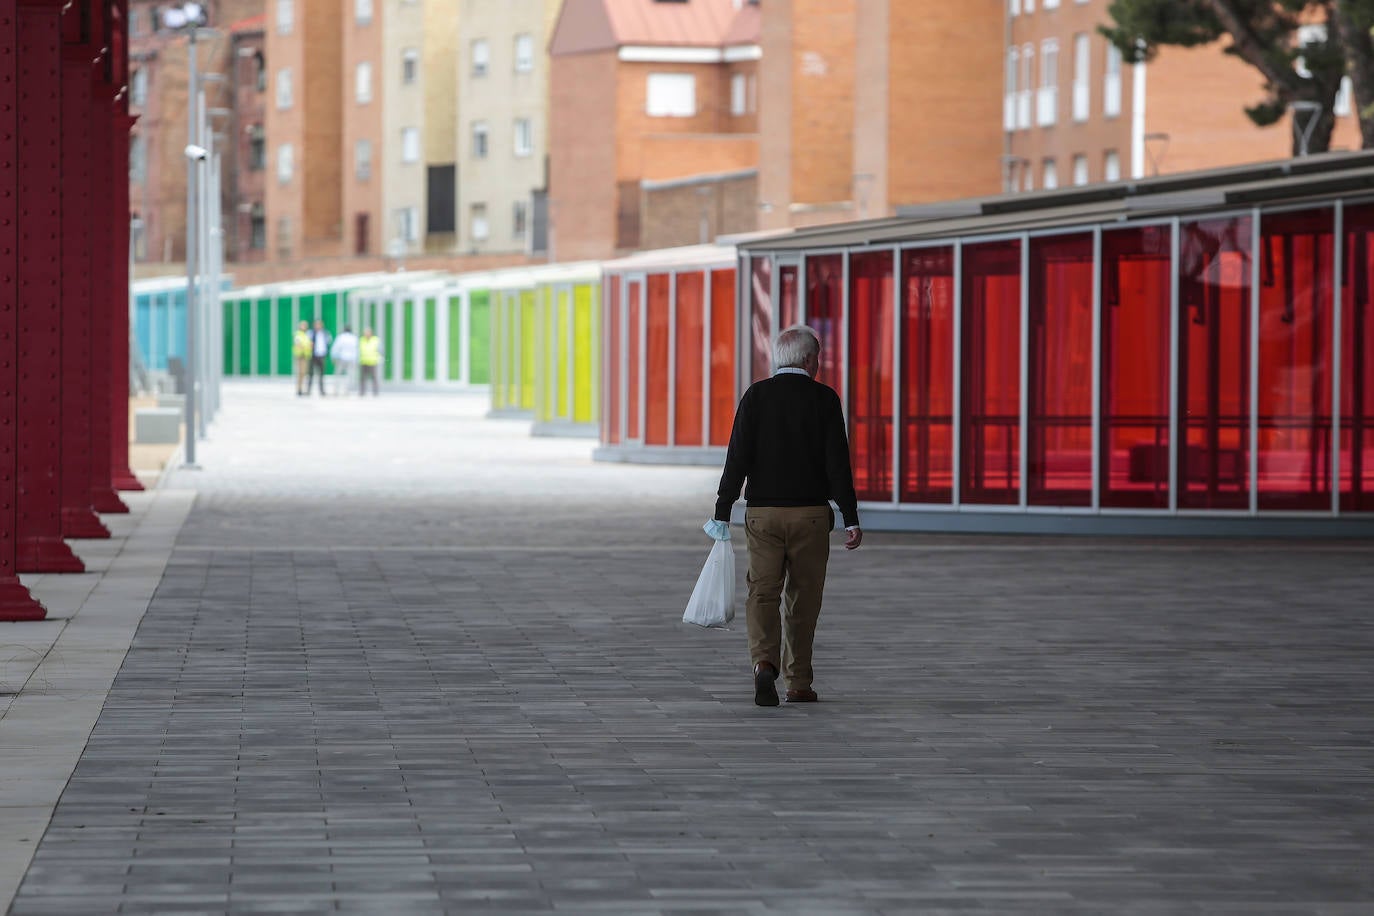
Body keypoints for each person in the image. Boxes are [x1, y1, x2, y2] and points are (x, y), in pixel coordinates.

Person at [709, 325, 862, 708]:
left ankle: (763, 663)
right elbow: (837, 463)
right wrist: (850, 515)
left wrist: (722, 510)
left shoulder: (756, 396)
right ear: (810, 360)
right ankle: (799, 682)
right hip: (811, 515)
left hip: (762, 515)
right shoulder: (825, 399)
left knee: (762, 591)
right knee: (803, 597)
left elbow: (737, 457)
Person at [330, 325, 359, 395]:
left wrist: (333, 357)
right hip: (351, 358)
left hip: (341, 358)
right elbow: (356, 350)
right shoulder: (354, 338)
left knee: (338, 374)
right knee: (349, 375)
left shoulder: (341, 337)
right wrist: (356, 360)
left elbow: (336, 347)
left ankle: (336, 390)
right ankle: (347, 390)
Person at [306, 319, 332, 396]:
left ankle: (322, 390)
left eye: (319, 324)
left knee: (321, 374)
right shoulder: (311, 333)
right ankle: (308, 390)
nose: (318, 326)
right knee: (311, 374)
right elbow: (307, 342)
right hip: (313, 355)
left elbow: (329, 341)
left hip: (322, 355)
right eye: (316, 324)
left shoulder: (325, 333)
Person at [358, 327, 382, 396]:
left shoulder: (375, 340)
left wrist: (379, 358)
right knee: (362, 378)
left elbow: (380, 350)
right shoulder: (361, 340)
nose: (366, 334)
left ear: (371, 333)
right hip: (363, 361)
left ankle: (375, 392)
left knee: (374, 378)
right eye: (365, 333)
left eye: (368, 332)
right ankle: (362, 392)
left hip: (373, 361)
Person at [292, 321, 312, 396]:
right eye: (303, 325)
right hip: (300, 356)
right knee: (301, 373)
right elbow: (298, 344)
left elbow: (309, 344)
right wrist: (307, 346)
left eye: (305, 325)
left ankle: (301, 389)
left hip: (305, 356)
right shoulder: (298, 334)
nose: (304, 327)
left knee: (303, 373)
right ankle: (299, 389)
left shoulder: (306, 335)